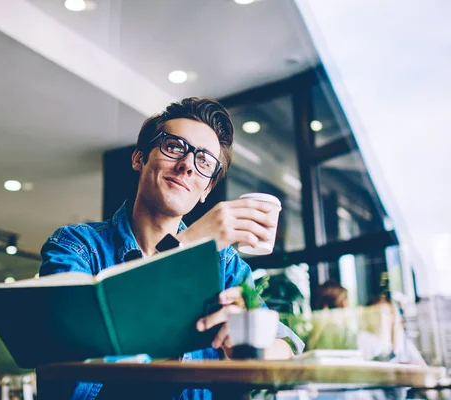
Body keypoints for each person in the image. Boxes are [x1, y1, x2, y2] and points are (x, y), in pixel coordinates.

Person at [40, 97, 304, 399]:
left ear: (206, 191)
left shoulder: (225, 265)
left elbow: (289, 346)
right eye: (175, 147)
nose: (187, 166)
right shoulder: (77, 247)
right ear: (139, 158)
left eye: (204, 161)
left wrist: (247, 343)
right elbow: (66, 370)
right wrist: (188, 245)